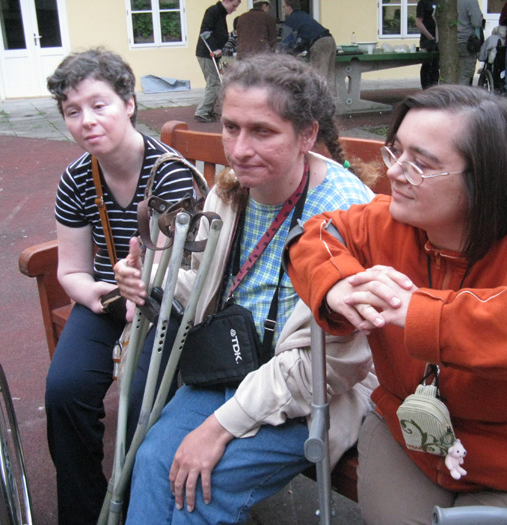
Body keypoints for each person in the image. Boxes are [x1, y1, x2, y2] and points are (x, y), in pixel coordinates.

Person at [287, 85, 507, 524]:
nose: (395, 173)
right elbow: (314, 236)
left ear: (484, 177)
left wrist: (422, 313)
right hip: (409, 440)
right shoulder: (387, 221)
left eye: (421, 164)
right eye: (396, 152)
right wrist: (336, 284)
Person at [115, 53, 377, 524]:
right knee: (153, 460)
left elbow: (329, 366)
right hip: (232, 362)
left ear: (307, 135)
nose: (238, 149)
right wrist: (150, 280)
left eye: (262, 131)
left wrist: (218, 427)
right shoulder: (232, 190)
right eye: (230, 127)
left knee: (202, 488)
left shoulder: (345, 216)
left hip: (308, 390)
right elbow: (206, 283)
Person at [44, 47, 196, 525]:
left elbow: (185, 272)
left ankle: (132, 509)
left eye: (99, 104)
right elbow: (72, 270)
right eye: (73, 111)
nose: (87, 121)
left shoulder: (170, 174)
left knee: (140, 398)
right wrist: (97, 294)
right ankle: (84, 510)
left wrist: (140, 283)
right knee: (64, 390)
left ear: (128, 103)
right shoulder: (76, 179)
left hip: (166, 303)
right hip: (107, 298)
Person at [194, 0, 241, 123]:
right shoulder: (214, 11)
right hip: (207, 54)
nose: (234, 9)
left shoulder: (220, 13)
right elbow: (205, 32)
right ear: (227, 1)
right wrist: (214, 48)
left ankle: (208, 110)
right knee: (213, 83)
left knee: (215, 82)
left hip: (212, 54)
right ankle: (202, 112)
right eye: (234, 6)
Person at [282, 0, 336, 95]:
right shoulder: (304, 16)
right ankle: (333, 100)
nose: (283, 9)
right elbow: (305, 38)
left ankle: (320, 101)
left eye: (284, 7)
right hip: (330, 40)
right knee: (329, 75)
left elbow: (287, 41)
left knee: (318, 77)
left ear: (289, 7)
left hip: (319, 44)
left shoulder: (291, 19)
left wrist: (283, 55)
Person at [457, 0, 484, 85]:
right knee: (464, 77)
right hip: (466, 42)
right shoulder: (470, 1)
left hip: (447, 44)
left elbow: (435, 16)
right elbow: (477, 23)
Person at [416, 0, 440, 89]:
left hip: (438, 39)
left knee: (436, 66)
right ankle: (426, 89)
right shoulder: (423, 3)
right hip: (427, 40)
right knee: (427, 65)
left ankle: (435, 88)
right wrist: (430, 37)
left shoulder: (439, 2)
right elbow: (418, 22)